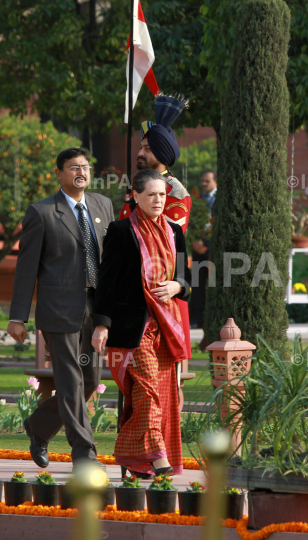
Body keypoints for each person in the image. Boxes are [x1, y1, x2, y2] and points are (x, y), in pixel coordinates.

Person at [7, 147, 115, 469]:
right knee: (70, 381)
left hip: (95, 310)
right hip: (59, 311)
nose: (81, 172)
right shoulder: (41, 212)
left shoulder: (102, 205)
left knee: (91, 381)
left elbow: (108, 260)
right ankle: (84, 454)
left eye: (85, 166)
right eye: (73, 167)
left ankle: (38, 427)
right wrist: (17, 317)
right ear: (59, 173)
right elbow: (26, 268)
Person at [92, 168, 191, 477]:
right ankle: (157, 457)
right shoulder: (121, 231)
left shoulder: (175, 232)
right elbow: (106, 282)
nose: (158, 200)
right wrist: (102, 324)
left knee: (162, 396)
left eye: (162, 194)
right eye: (151, 194)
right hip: (133, 328)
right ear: (135, 196)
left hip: (166, 327)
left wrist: (178, 287)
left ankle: (139, 464)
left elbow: (187, 280)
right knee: (147, 391)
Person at [119, 93, 192, 362]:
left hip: (163, 290)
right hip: (131, 290)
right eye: (140, 147)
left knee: (169, 372)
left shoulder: (177, 193)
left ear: (163, 153)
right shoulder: (135, 188)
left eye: (147, 149)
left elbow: (166, 245)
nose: (140, 152)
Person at [190, 170, 217, 330]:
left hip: (213, 248)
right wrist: (194, 242)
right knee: (197, 284)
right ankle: (197, 319)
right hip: (197, 247)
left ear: (215, 182)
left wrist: (209, 244)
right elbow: (192, 221)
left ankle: (212, 318)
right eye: (203, 181)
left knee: (213, 284)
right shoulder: (198, 199)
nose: (204, 184)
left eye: (207, 181)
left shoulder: (221, 198)